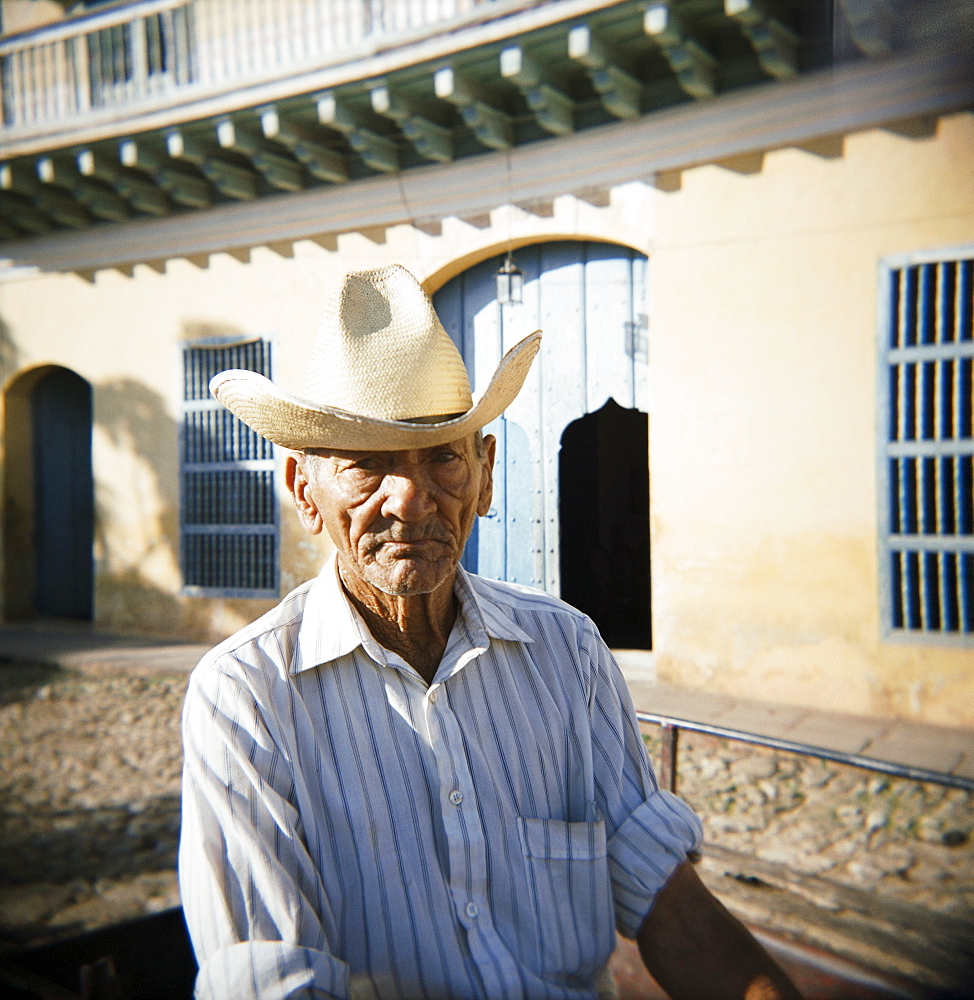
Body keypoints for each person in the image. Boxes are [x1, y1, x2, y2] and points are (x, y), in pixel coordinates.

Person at [179, 264, 801, 1000]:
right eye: (367, 467)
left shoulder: (567, 653)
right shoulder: (246, 697)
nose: (410, 500)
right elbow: (273, 979)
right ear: (303, 493)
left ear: (486, 472)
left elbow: (668, 901)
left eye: (442, 456)